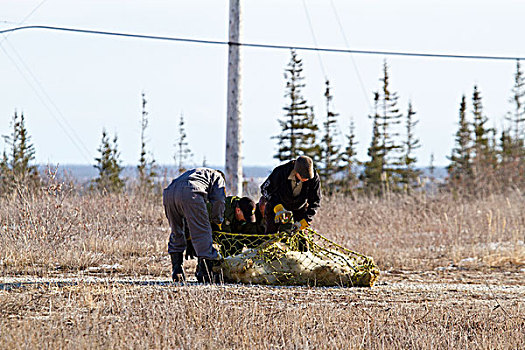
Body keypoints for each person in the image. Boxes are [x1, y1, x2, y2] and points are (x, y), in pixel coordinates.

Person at [162, 168, 226, 283]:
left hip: (169, 192)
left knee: (177, 231)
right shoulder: (218, 176)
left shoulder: (198, 172)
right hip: (191, 192)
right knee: (202, 233)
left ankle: (177, 270)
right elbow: (219, 200)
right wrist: (217, 220)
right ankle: (205, 273)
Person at [260, 155, 321, 234]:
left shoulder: (314, 178)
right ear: (296, 171)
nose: (306, 179)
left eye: (308, 178)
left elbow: (316, 201)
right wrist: (277, 207)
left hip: (300, 206)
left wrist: (307, 219)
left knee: (302, 238)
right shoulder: (280, 172)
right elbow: (264, 189)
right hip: (278, 204)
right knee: (270, 235)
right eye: (303, 177)